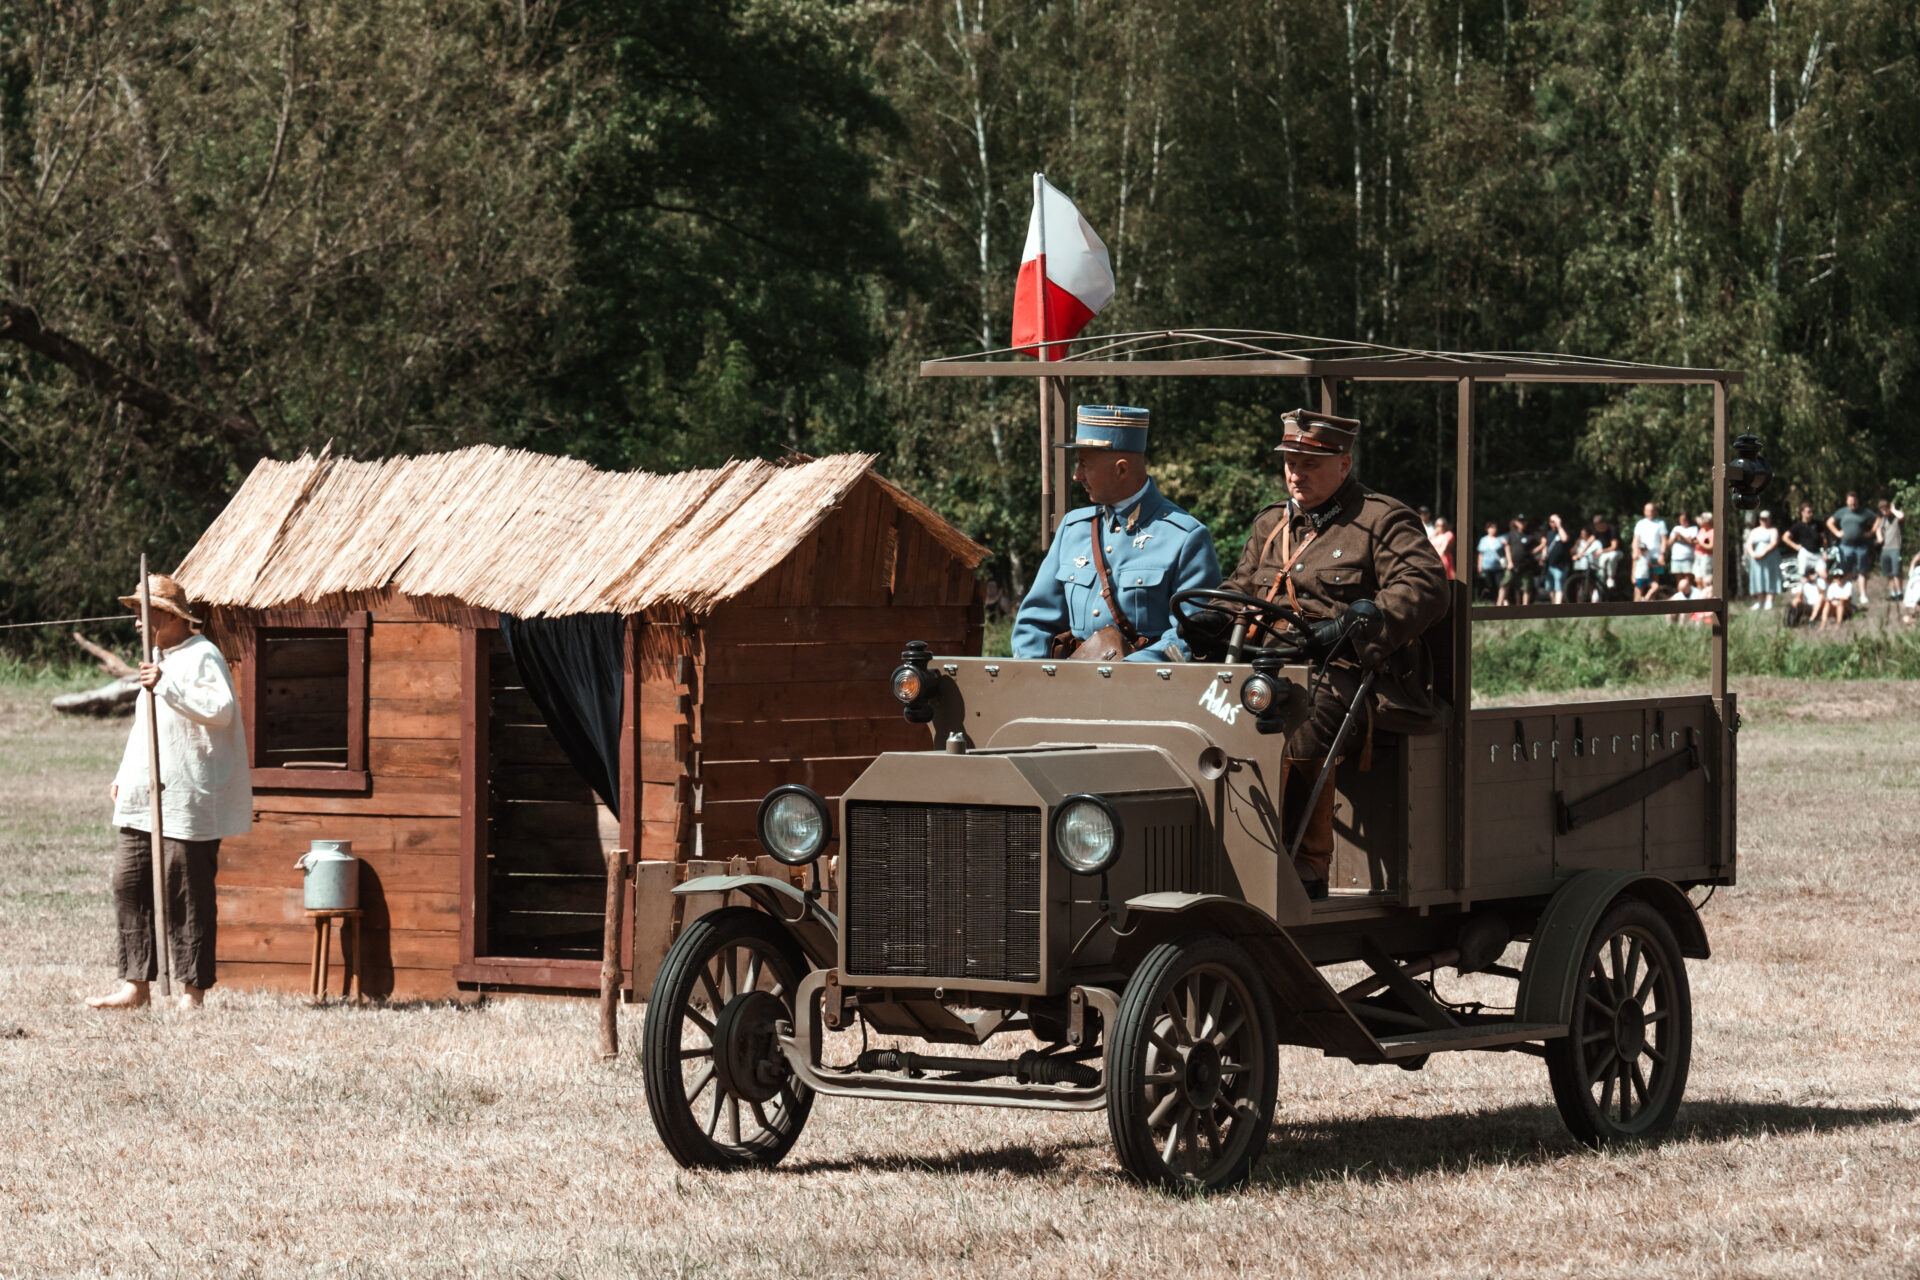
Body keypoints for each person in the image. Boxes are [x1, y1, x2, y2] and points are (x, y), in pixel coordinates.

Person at [1205, 409, 1448, 900]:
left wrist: (1351, 627)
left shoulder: (1380, 520)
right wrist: (1209, 616)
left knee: (1301, 714)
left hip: (1351, 673)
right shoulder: (1273, 524)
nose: (1296, 472)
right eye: (1290, 461)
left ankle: (1302, 870)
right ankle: (1214, 853)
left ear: (1344, 464)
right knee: (1198, 707)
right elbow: (1241, 585)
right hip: (1264, 667)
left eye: (1310, 462)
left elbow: (1425, 585)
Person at [86, 575, 250, 1011]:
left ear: (169, 616)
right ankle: (135, 985)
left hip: (186, 795)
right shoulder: (154, 662)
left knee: (187, 892)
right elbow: (146, 726)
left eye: (143, 614)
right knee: (129, 882)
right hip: (144, 794)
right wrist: (125, 773)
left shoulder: (202, 656)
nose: (137, 623)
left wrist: (167, 683)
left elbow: (221, 711)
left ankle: (192, 993)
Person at [1012, 404, 1220, 662]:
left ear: (1121, 469)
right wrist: (1034, 678)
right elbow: (1034, 622)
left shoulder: (1186, 537)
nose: (1076, 476)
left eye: (1084, 465)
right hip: (1068, 691)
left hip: (1143, 690)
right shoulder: (1072, 528)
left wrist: (1123, 673)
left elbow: (1191, 636)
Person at [1827, 491, 1876, 605]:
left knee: (1862, 571)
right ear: (1846, 501)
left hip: (1861, 546)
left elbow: (1877, 519)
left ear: (1857, 501)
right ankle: (1847, 595)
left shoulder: (1864, 512)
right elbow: (1829, 522)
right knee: (1846, 572)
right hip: (1845, 547)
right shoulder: (1842, 512)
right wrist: (1837, 532)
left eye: (1854, 502)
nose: (1852, 504)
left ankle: (1863, 595)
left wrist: (1871, 532)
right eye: (1850, 502)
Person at [1783, 501, 1826, 585]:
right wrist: (1795, 546)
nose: (1811, 514)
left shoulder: (1817, 524)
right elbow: (1785, 537)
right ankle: (1802, 596)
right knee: (1804, 578)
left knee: (1824, 575)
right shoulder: (1798, 526)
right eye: (1808, 512)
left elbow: (1824, 538)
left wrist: (1825, 551)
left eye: (1812, 512)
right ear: (1802, 513)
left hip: (1817, 553)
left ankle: (1823, 596)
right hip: (1805, 553)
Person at [1745, 510, 1782, 610]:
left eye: (1766, 519)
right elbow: (1749, 544)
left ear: (1770, 519)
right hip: (1756, 559)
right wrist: (1753, 554)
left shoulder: (1773, 530)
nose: (1764, 521)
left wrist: (1763, 553)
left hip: (1770, 558)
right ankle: (1759, 600)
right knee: (1757, 578)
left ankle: (1770, 600)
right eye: (1762, 519)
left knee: (1770, 577)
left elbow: (1773, 543)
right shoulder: (1755, 531)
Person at [1499, 514, 1538, 607]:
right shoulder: (1511, 534)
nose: (1522, 523)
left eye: (1523, 521)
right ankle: (1498, 604)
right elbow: (1507, 547)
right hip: (1512, 564)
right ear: (1516, 522)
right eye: (1520, 521)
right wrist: (1509, 561)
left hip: (1526, 565)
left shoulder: (1531, 535)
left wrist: (1539, 549)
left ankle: (1525, 608)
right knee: (1505, 583)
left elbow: (1537, 547)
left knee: (1526, 587)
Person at [1632, 502, 1668, 601]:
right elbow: (1635, 540)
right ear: (1644, 511)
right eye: (1648, 510)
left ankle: (1651, 604)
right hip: (1642, 557)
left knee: (1654, 582)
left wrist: (1662, 554)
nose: (1650, 512)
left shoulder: (1660, 523)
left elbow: (1664, 540)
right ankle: (1638, 604)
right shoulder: (1640, 524)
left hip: (1655, 556)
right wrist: (1635, 551)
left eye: (1652, 510)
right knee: (1639, 581)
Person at [1875, 498, 1906, 602]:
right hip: (1885, 549)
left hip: (1895, 548)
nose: (1884, 512)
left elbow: (1901, 516)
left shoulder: (1896, 518)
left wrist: (1893, 509)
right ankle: (1893, 593)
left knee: (1896, 572)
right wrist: (1879, 537)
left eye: (1886, 509)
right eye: (1882, 510)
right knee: (1888, 573)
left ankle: (1900, 593)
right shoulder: (1883, 520)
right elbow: (1878, 529)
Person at [1540, 513, 1572, 604]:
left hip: (1560, 566)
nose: (1553, 523)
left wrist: (1559, 526)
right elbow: (1546, 546)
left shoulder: (1564, 531)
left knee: (1559, 587)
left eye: (1555, 521)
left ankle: (1558, 607)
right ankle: (1553, 605)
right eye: (1551, 521)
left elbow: (1565, 539)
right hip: (1550, 565)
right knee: (1551, 588)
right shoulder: (1549, 533)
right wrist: (1543, 557)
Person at [1591, 513, 1623, 600]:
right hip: (1604, 555)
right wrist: (1581, 553)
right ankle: (1596, 597)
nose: (1597, 528)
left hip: (1616, 553)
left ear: (1602, 524)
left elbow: (1614, 546)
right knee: (1600, 572)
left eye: (1598, 526)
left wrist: (1601, 551)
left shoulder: (1612, 529)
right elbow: (1590, 541)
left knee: (1611, 556)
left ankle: (1610, 578)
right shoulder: (1597, 531)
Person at [1666, 510, 1699, 587]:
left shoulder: (1693, 528)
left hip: (1688, 558)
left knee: (1688, 580)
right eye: (1680, 520)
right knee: (1679, 581)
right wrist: (1675, 538)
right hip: (1676, 558)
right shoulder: (1676, 528)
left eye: (1684, 520)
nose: (1682, 522)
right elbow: (1669, 543)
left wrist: (1681, 537)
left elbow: (1692, 542)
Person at [1569, 522, 1599, 602]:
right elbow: (1572, 551)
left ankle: (1593, 603)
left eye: (1584, 534)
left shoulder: (1593, 542)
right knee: (1579, 587)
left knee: (1590, 586)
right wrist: (1576, 546)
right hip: (1579, 567)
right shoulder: (1579, 541)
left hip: (1589, 567)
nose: (1583, 535)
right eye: (1581, 534)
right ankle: (1579, 604)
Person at [1475, 520, 1504, 603]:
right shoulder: (1483, 540)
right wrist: (1479, 566)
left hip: (1498, 567)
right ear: (1487, 529)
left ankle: (1499, 601)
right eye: (1491, 527)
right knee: (1489, 585)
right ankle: (1490, 600)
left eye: (1495, 527)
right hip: (1486, 567)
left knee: (1499, 585)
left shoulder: (1501, 539)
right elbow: (1480, 554)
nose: (1493, 529)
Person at [1429, 516, 1456, 581]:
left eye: (1442, 525)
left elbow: (1443, 549)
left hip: (1444, 560)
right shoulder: (1434, 536)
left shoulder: (1448, 534)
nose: (1439, 527)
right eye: (1437, 525)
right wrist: (1434, 534)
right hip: (1433, 560)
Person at [1695, 513, 1715, 594]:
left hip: (1706, 557)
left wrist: (1700, 544)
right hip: (1697, 556)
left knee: (1706, 580)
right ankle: (1700, 598)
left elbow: (1711, 547)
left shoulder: (1712, 532)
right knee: (1697, 579)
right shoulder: (1701, 530)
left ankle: (1707, 598)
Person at [1901, 549, 1920, 626]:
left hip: (1915, 591)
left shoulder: (1914, 572)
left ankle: (1913, 621)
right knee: (1906, 618)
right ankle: (1913, 621)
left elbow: (1914, 561)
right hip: (1915, 589)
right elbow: (1913, 562)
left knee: (1907, 617)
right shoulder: (1914, 571)